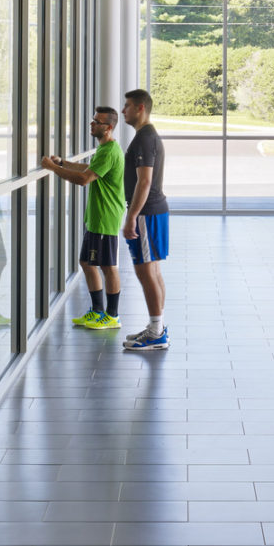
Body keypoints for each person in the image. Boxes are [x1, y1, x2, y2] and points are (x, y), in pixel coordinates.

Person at [41, 106, 126, 330]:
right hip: (97, 216)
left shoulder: (109, 151)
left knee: (107, 266)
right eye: (92, 120)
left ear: (108, 127)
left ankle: (112, 315)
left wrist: (52, 168)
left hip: (106, 216)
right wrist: (62, 163)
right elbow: (89, 168)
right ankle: (97, 311)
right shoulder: (105, 149)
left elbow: (83, 179)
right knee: (87, 262)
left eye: (97, 122)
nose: (92, 124)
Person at [119, 88, 170, 351]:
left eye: (127, 106)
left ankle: (156, 331)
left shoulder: (144, 139)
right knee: (153, 270)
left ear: (140, 108)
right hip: (154, 211)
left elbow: (145, 181)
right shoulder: (146, 136)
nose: (123, 110)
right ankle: (156, 327)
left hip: (147, 214)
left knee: (145, 271)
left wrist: (131, 217)